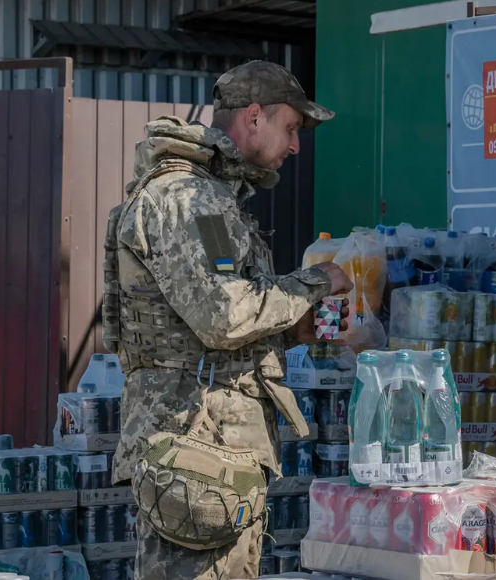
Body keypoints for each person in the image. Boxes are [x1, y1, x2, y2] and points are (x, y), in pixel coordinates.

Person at [103, 60, 349, 580]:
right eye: (291, 128)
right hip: (196, 450)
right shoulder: (188, 199)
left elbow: (205, 316)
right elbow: (224, 314)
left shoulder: (208, 199)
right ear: (255, 117)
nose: (296, 146)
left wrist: (289, 327)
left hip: (210, 453)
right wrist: (317, 283)